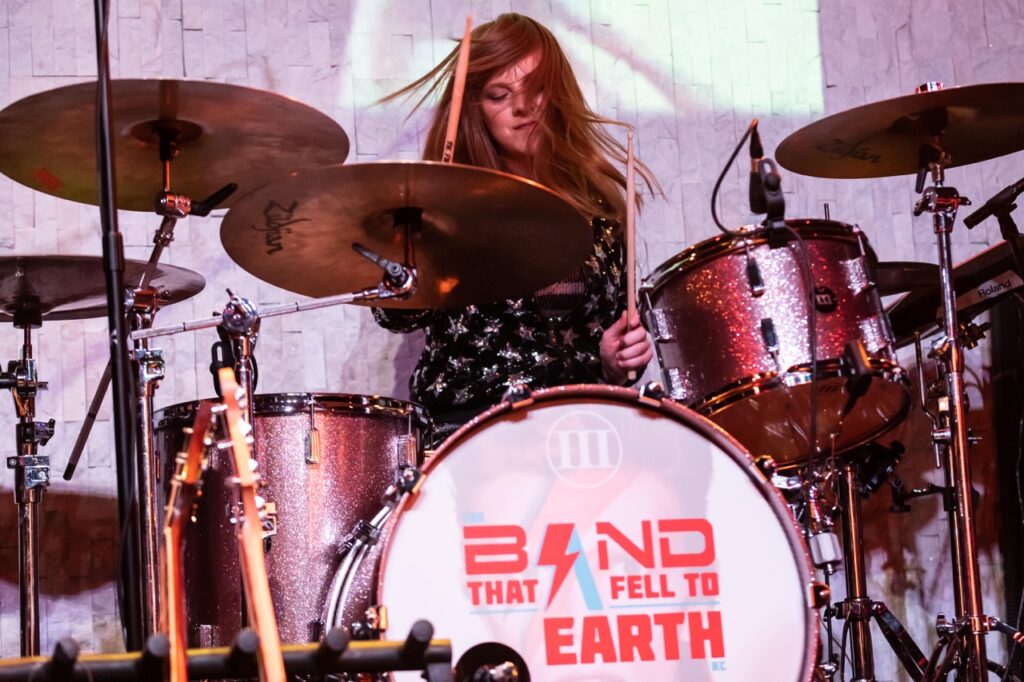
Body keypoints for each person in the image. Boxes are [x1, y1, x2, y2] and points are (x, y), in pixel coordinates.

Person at [373, 13, 656, 445]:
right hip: (468, 430)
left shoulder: (600, 210)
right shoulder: (453, 205)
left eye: (537, 88)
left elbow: (613, 345)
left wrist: (617, 363)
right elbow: (396, 315)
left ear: (559, 93)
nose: (522, 107)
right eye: (499, 95)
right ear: (475, 110)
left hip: (577, 428)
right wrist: (417, 240)